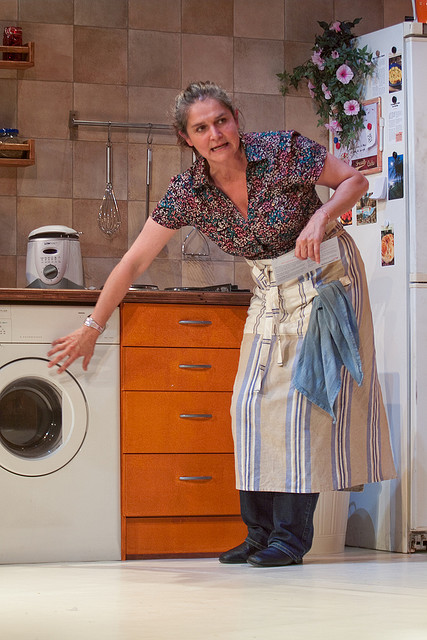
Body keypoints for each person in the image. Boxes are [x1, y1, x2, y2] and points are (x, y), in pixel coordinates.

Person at [48, 81, 396, 568]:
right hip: (271, 289)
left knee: (301, 407)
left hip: (325, 278)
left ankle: (289, 540)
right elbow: (133, 262)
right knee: (246, 406)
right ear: (186, 138)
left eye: (221, 121)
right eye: (201, 128)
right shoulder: (188, 192)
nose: (215, 134)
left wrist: (321, 216)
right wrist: (92, 326)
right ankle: (259, 534)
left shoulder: (281, 150)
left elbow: (354, 181)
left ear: (236, 119)